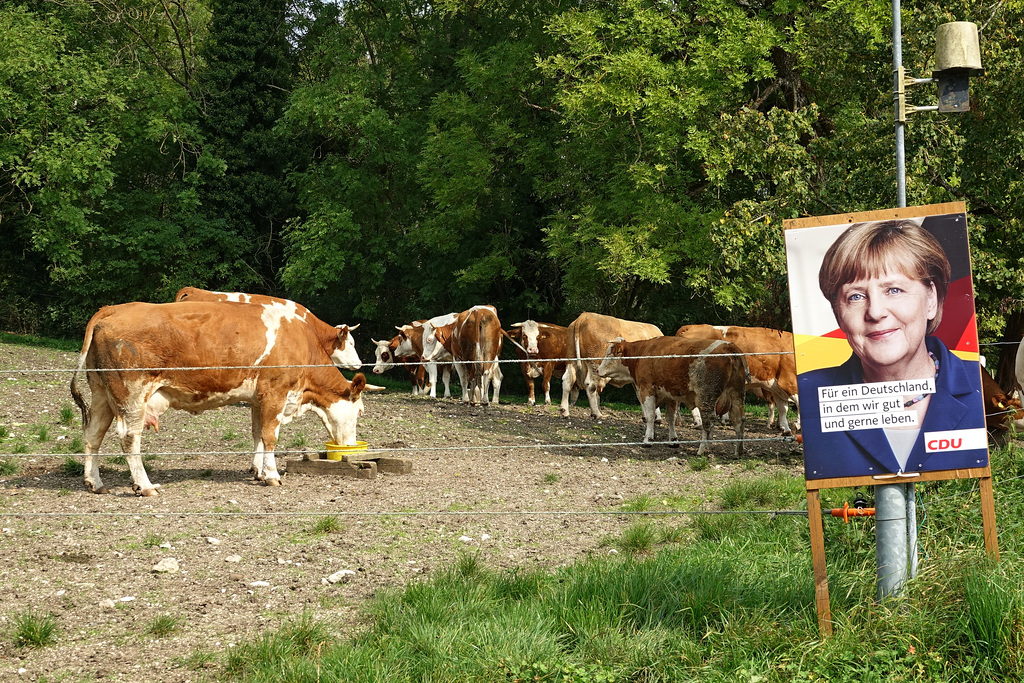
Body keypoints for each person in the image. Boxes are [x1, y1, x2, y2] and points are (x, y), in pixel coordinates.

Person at [799, 219, 987, 479]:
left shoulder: (983, 391)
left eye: (894, 290)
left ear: (930, 299)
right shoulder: (807, 393)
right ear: (837, 313)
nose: (875, 312)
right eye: (855, 296)